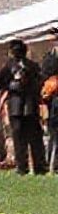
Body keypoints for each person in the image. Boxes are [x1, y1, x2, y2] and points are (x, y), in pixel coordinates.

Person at [0, 39, 46, 175]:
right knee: (19, 137)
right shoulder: (9, 66)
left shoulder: (32, 66)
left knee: (34, 137)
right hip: (16, 103)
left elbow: (40, 82)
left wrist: (27, 83)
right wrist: (12, 85)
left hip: (29, 103)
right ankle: (22, 167)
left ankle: (39, 167)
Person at [42, 29, 58, 173]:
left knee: (53, 133)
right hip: (53, 99)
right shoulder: (49, 57)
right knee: (53, 133)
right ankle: (52, 164)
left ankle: (52, 164)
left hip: (53, 99)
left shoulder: (50, 56)